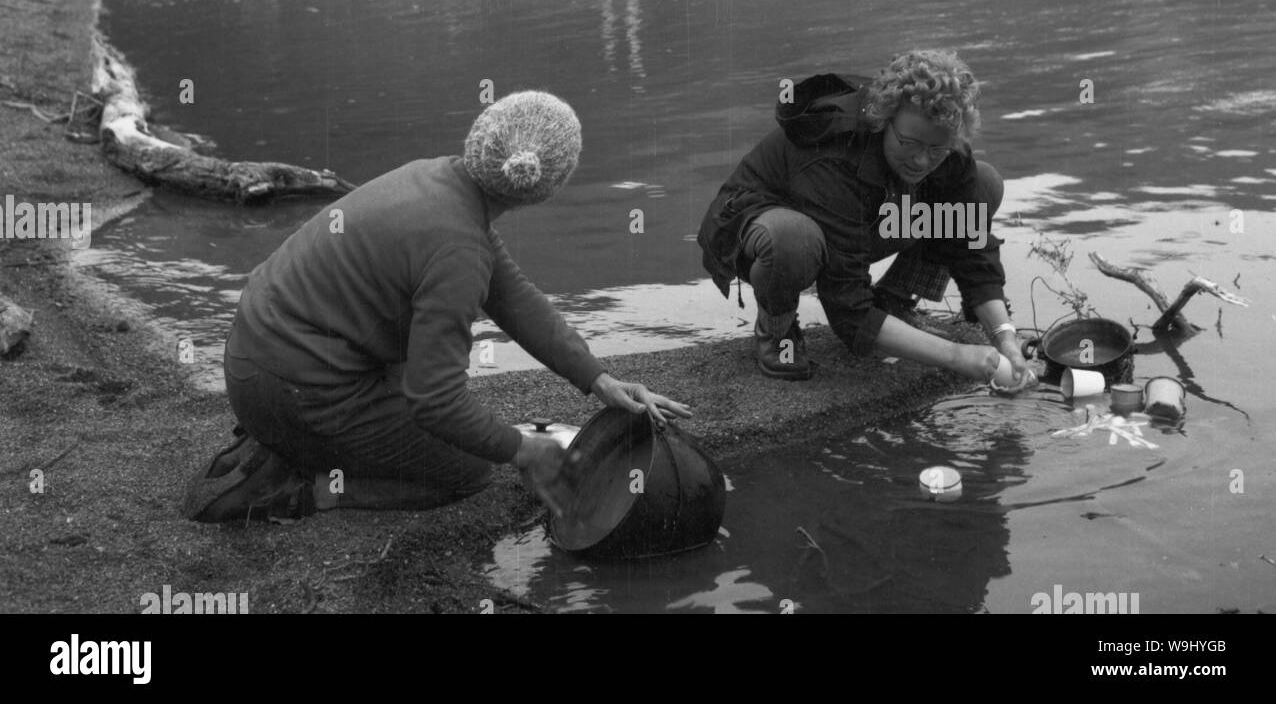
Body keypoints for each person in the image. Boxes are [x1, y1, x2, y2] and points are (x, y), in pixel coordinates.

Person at [187, 91, 690, 522]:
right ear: (547, 187)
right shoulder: (457, 250)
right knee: (467, 471)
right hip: (289, 388)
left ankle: (288, 441)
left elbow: (512, 295)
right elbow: (437, 402)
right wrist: (523, 451)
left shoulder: (437, 180)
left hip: (258, 359)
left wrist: (597, 379)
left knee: (429, 390)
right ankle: (297, 489)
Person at [697, 49, 1034, 389]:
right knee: (794, 239)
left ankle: (895, 300)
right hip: (758, 226)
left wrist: (1003, 336)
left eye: (936, 150)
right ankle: (777, 329)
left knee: (983, 184)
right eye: (910, 143)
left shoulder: (945, 143)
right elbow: (848, 309)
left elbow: (972, 248)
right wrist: (955, 355)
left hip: (856, 216)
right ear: (884, 119)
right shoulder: (835, 154)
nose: (921, 160)